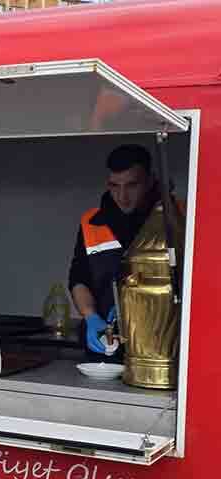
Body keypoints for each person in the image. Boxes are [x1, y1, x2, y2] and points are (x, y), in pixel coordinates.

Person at [69, 144, 163, 356]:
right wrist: (91, 317)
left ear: (149, 182)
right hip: (105, 344)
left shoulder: (174, 219)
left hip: (157, 345)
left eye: (131, 185)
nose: (122, 196)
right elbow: (79, 278)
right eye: (114, 186)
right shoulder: (92, 222)